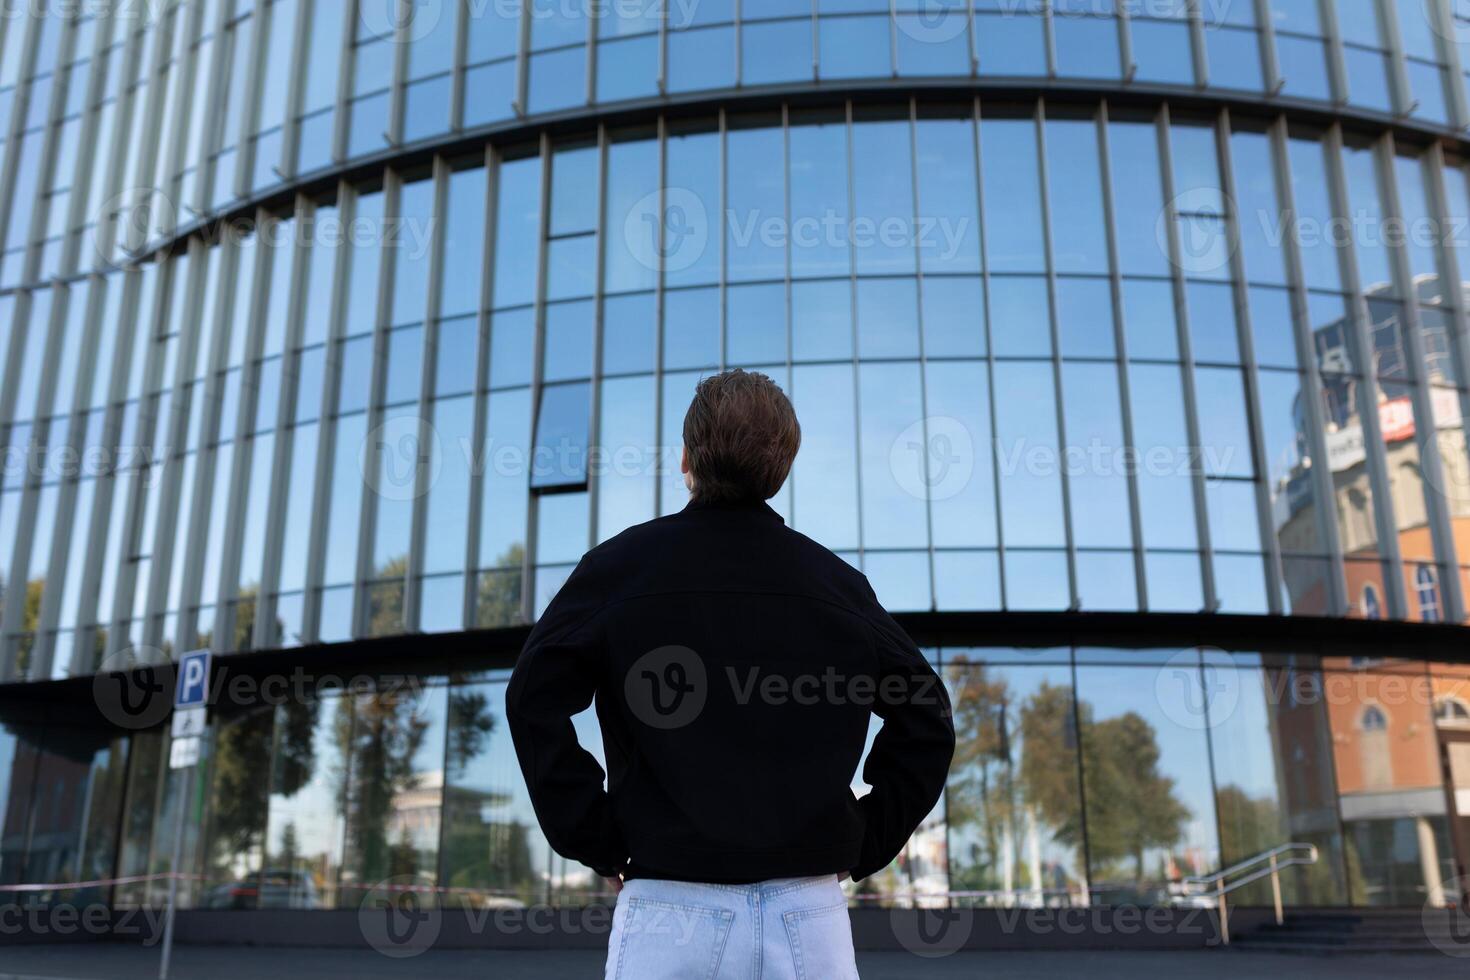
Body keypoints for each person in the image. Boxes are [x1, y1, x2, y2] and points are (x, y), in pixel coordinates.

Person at [506, 368, 955, 979]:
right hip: (810, 914)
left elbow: (533, 697)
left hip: (670, 905)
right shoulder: (838, 587)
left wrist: (596, 836)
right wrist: (866, 838)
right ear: (783, 466)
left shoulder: (620, 569)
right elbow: (926, 716)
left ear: (687, 457)